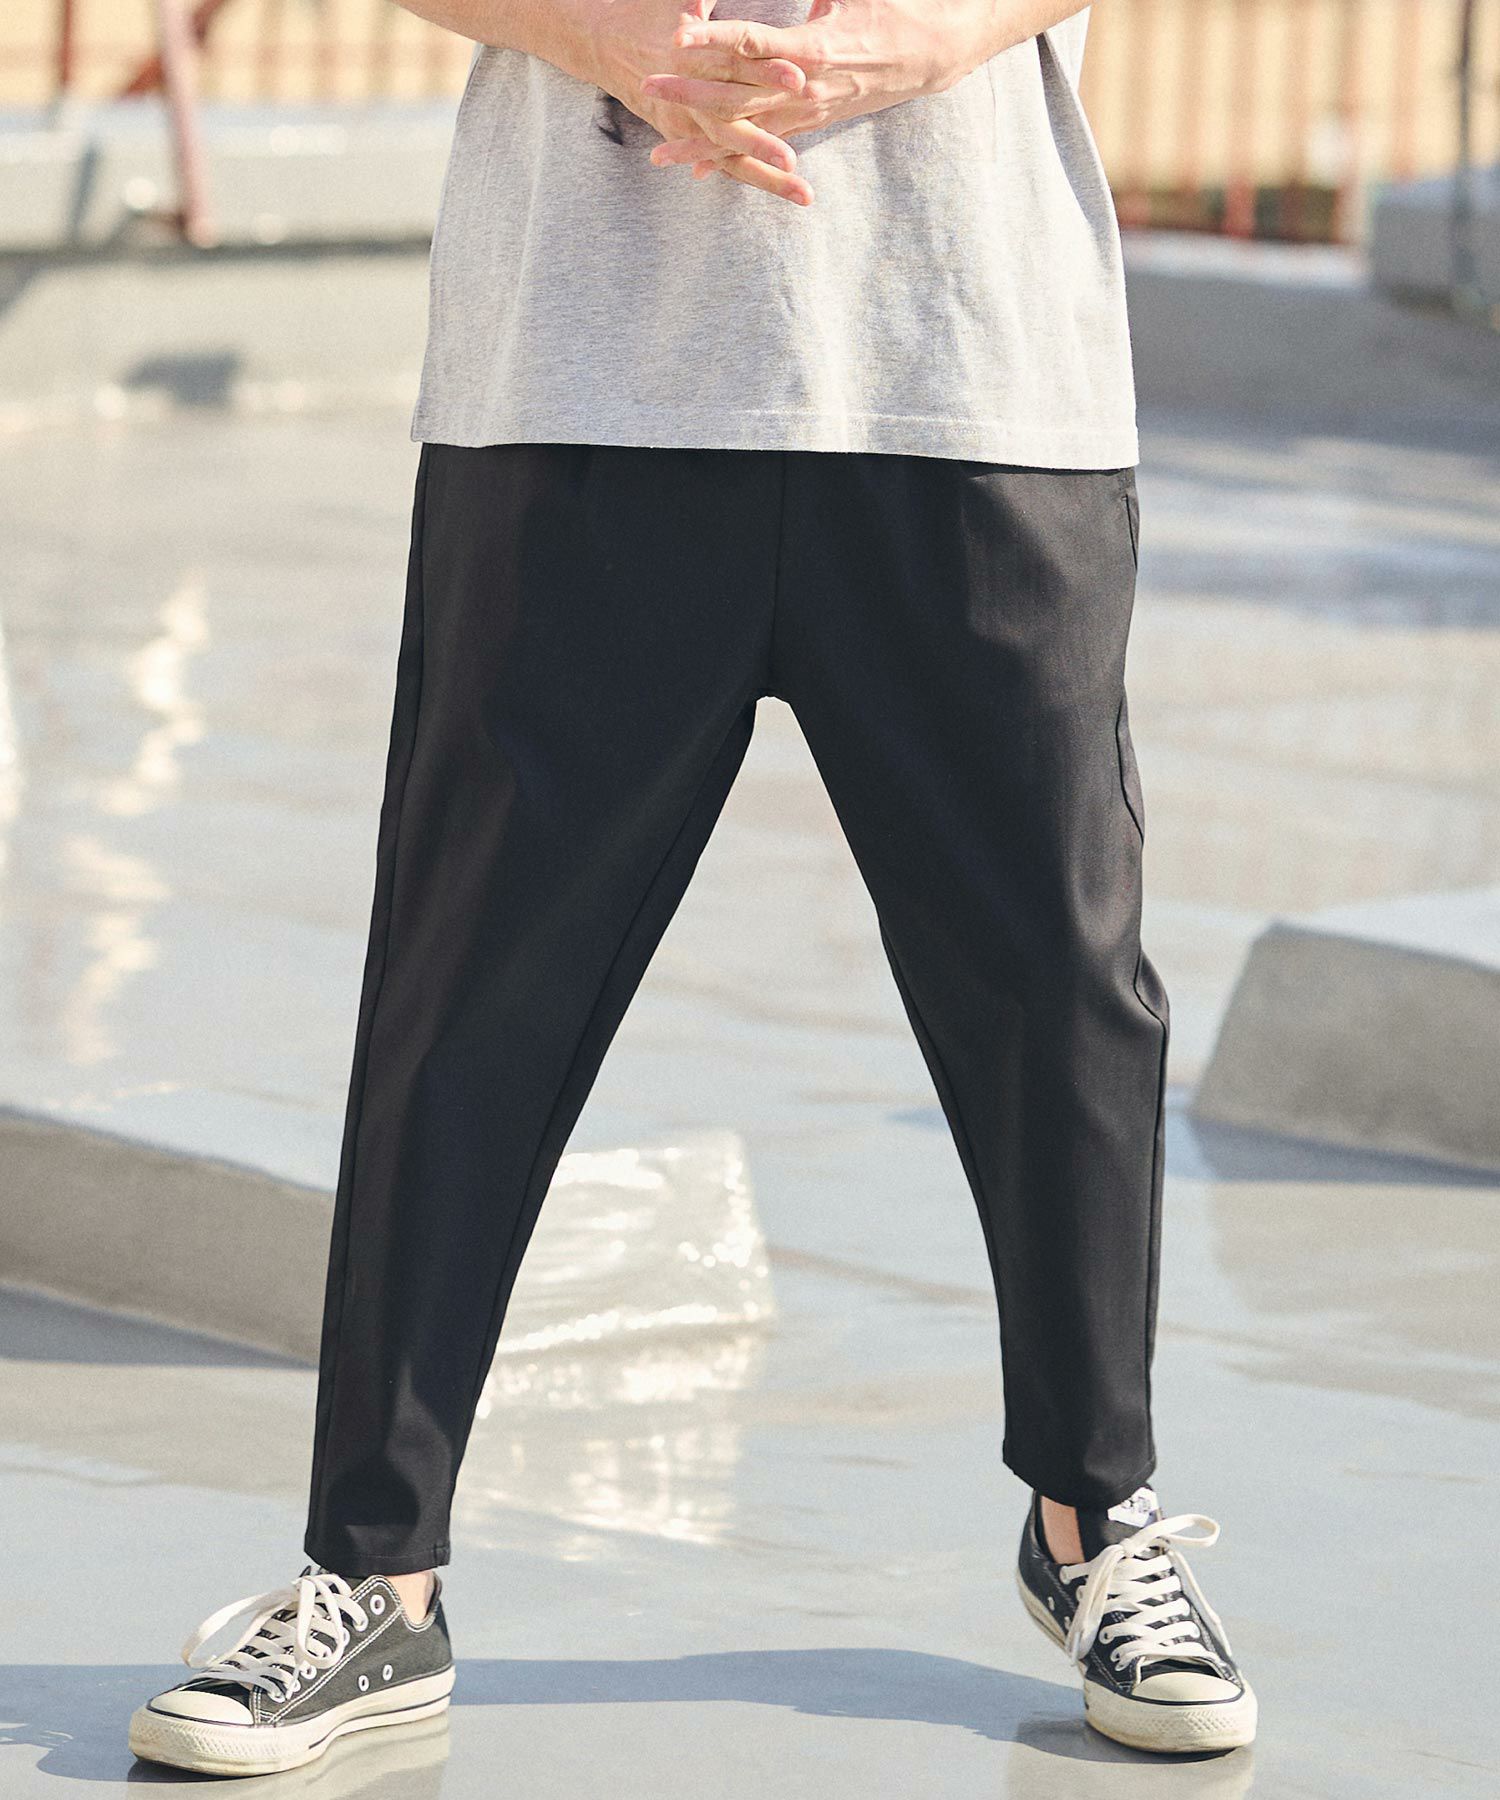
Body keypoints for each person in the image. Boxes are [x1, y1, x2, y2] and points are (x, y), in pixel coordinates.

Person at [128, 0, 1256, 1773]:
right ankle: (373, 1579)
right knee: (466, 994)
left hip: (972, 364)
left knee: (1057, 985)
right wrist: (617, 40)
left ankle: (1095, 1521)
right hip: (577, 377)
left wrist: (903, 49)